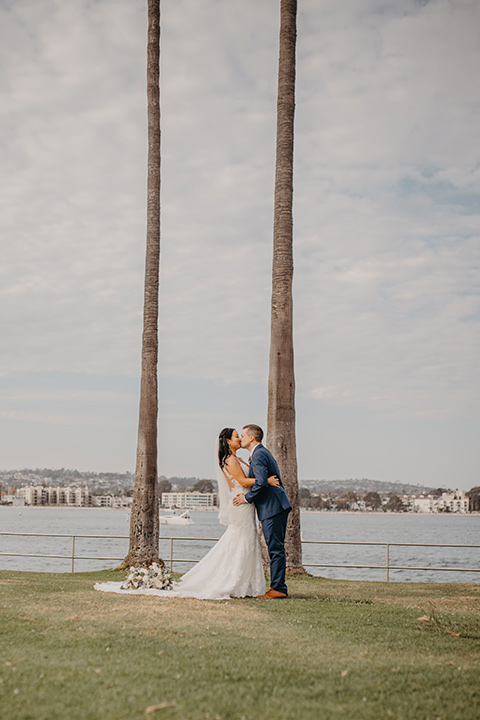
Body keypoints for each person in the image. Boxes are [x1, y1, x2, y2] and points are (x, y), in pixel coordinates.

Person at [94, 428, 279, 600]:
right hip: (241, 503)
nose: (239, 438)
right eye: (236, 436)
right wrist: (267, 481)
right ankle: (233, 583)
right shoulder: (230, 459)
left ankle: (244, 584)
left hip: (244, 503)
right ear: (228, 441)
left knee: (244, 540)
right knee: (242, 539)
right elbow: (241, 480)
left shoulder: (236, 459)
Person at [233, 424, 291, 599]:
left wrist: (246, 498)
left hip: (272, 507)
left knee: (275, 549)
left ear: (251, 438)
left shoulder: (258, 455)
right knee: (276, 548)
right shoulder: (261, 453)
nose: (241, 438)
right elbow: (263, 480)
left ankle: (278, 588)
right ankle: (278, 586)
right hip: (274, 506)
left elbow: (259, 482)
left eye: (243, 435)